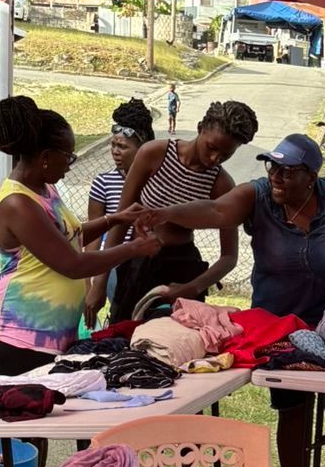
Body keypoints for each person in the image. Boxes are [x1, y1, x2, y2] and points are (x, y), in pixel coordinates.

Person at [133, 133, 325, 467]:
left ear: (311, 175)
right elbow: (215, 211)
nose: (276, 176)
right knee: (291, 413)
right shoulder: (258, 195)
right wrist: (165, 213)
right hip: (278, 332)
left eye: (288, 171)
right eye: (272, 166)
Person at [0, 96, 160, 376]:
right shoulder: (18, 204)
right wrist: (135, 248)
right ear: (44, 158)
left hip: (49, 335)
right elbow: (73, 263)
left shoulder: (44, 190)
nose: (70, 164)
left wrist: (115, 219)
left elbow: (69, 236)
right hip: (20, 337)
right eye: (68, 156)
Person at [92, 98, 255, 325]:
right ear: (200, 129)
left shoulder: (221, 184)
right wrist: (99, 284)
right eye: (211, 148)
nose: (215, 159)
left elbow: (229, 257)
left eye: (226, 154)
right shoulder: (154, 154)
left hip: (183, 268)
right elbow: (120, 221)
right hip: (138, 263)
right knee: (125, 335)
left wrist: (193, 287)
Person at [85, 98, 149, 234]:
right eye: (113, 145)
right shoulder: (103, 183)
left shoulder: (157, 183)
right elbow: (94, 235)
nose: (115, 152)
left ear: (142, 149)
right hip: (111, 253)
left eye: (122, 147)